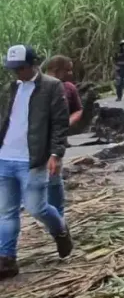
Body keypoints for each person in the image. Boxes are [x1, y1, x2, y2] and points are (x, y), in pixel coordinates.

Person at [0, 45, 73, 279]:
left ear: (33, 64)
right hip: (5, 156)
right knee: (6, 211)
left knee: (36, 207)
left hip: (33, 159)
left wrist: (55, 154)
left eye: (20, 67)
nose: (17, 73)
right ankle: (7, 259)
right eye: (14, 68)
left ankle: (60, 230)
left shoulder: (52, 87)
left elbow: (60, 124)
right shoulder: (11, 87)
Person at [42, 55, 83, 218]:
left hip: (56, 139)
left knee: (53, 175)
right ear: (56, 70)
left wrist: (66, 123)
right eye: (68, 70)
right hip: (36, 138)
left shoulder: (69, 88)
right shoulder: (38, 85)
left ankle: (57, 215)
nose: (71, 73)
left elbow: (78, 109)